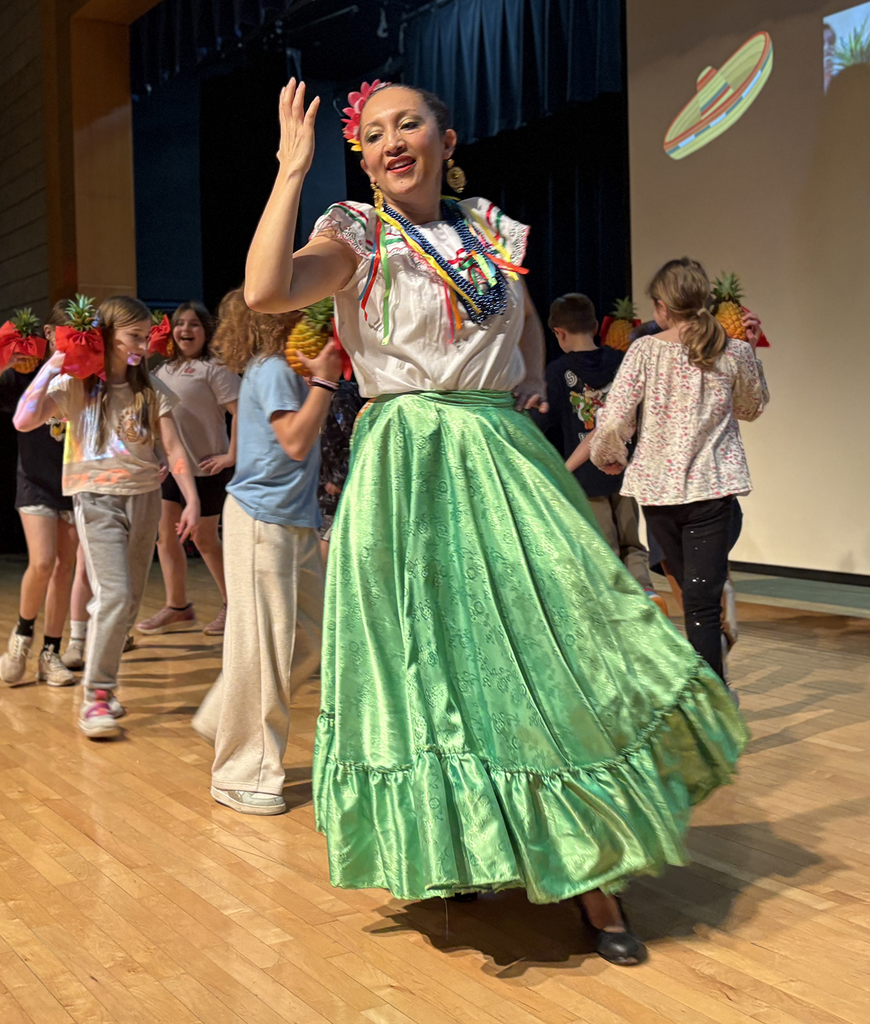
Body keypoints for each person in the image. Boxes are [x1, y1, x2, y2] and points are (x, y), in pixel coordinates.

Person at [241, 78, 747, 965]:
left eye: (409, 124)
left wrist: (517, 394)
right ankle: (463, 844)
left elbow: (523, 353)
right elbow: (266, 292)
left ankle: (597, 879)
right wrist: (291, 174)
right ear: (358, 156)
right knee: (427, 664)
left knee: (549, 649)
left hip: (498, 453)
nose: (391, 141)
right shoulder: (355, 234)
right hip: (406, 462)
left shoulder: (492, 234)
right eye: (371, 133)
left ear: (446, 135)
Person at [13, 296, 200, 739]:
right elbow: (23, 420)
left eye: (146, 334)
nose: (144, 343)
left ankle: (104, 686)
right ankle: (96, 695)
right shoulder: (76, 386)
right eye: (134, 335)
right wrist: (54, 363)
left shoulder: (151, 389)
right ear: (107, 336)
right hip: (96, 500)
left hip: (145, 499)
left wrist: (190, 498)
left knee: (128, 602)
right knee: (114, 596)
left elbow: (173, 449)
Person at [191, 289, 336, 815]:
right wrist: (326, 380)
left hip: (293, 521)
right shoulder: (273, 368)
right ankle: (240, 772)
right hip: (260, 522)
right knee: (266, 648)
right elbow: (295, 441)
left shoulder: (286, 369)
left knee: (311, 638)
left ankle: (221, 714)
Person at [590, 258, 768, 685]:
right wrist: (752, 350)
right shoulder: (733, 349)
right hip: (712, 490)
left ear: (661, 306)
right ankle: (714, 702)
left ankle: (712, 702)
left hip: (660, 492)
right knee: (699, 606)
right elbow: (751, 408)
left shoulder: (645, 351)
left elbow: (614, 418)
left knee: (693, 600)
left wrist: (608, 455)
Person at [0, 301, 78, 687]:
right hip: (35, 483)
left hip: (75, 482)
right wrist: (2, 363)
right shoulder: (25, 378)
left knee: (65, 569)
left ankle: (51, 654)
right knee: (43, 562)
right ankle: (22, 637)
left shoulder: (85, 375)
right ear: (47, 335)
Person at [531, 293, 664, 612]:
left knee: (604, 547)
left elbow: (542, 423)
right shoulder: (621, 362)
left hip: (585, 477)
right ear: (594, 326)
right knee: (632, 542)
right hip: (625, 470)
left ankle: (623, 610)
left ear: (558, 333)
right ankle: (646, 591)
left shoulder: (557, 372)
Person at [136, 301, 241, 637]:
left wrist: (231, 456)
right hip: (172, 469)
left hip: (208, 468)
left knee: (205, 539)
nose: (185, 330)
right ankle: (178, 606)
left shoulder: (216, 368)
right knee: (165, 538)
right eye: (179, 324)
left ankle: (234, 605)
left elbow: (241, 412)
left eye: (194, 324)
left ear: (205, 331)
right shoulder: (159, 373)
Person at [318, 377, 364, 561]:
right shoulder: (313, 392)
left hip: (341, 487)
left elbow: (358, 440)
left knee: (326, 545)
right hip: (321, 485)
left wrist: (340, 477)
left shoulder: (342, 397)